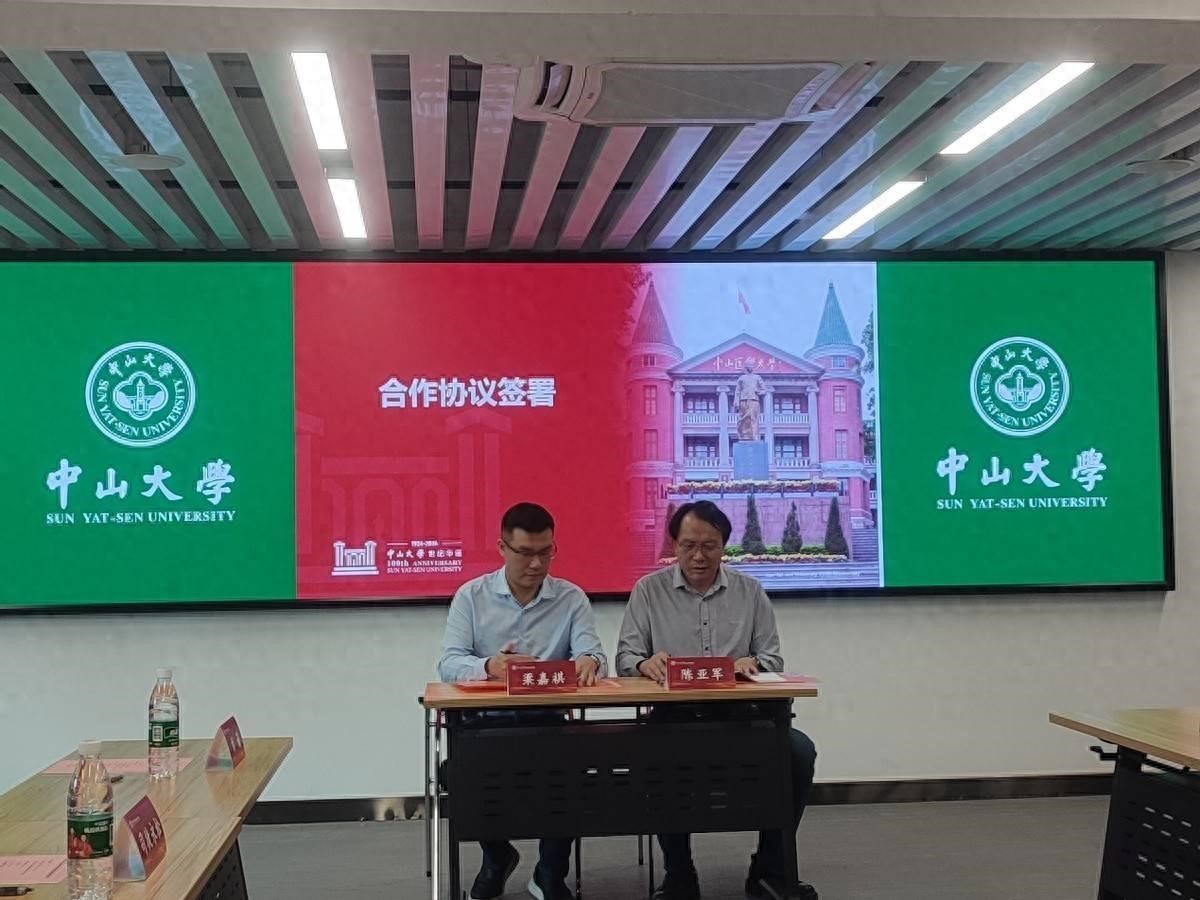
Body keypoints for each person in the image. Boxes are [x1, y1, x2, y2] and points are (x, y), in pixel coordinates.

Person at [616, 500, 818, 900]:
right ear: (674, 544)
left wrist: (753, 664)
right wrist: (644, 664)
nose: (698, 556)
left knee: (798, 752)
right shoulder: (649, 591)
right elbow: (625, 658)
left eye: (709, 546)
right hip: (673, 718)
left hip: (741, 716)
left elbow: (773, 658)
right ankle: (679, 873)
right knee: (649, 756)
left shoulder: (750, 591)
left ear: (724, 546)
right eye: (688, 545)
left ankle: (769, 868)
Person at [438, 502, 607, 900]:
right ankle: (497, 856)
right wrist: (489, 666)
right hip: (486, 723)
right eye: (526, 553)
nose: (536, 564)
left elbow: (594, 654)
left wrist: (589, 661)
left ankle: (550, 873)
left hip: (549, 721)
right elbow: (448, 664)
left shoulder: (571, 598)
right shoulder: (472, 596)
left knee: (572, 772)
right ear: (502, 548)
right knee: (457, 773)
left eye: (546, 552)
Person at [735, 361, 767, 441]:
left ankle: (754, 436)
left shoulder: (757, 377)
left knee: (753, 419)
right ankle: (743, 436)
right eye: (749, 365)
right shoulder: (741, 378)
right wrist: (736, 403)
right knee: (742, 420)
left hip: (754, 400)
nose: (750, 366)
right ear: (745, 367)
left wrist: (758, 392)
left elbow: (764, 390)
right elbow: (737, 392)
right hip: (743, 401)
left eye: (752, 365)